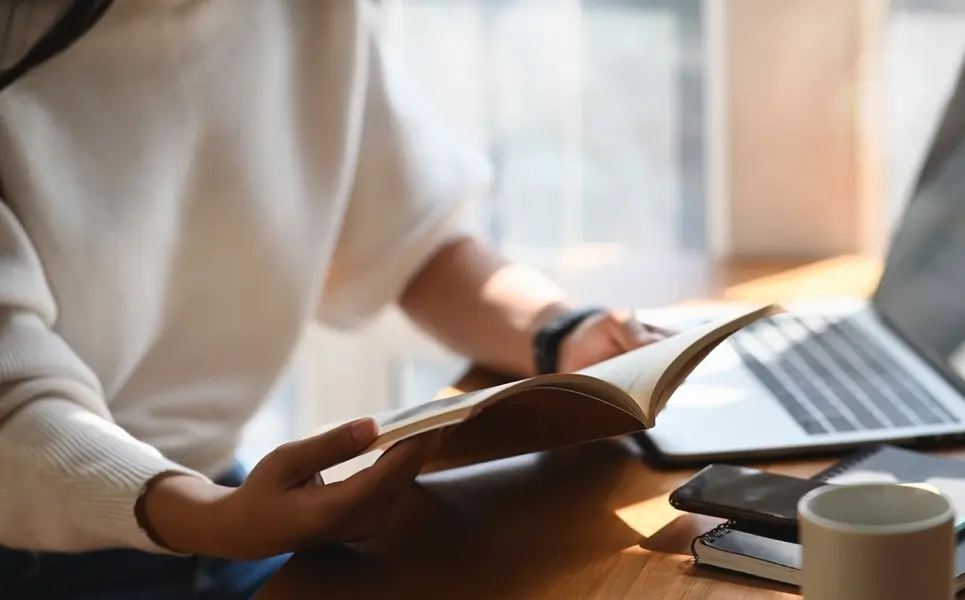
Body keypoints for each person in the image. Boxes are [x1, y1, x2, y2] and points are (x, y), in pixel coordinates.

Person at [0, 2, 669, 599]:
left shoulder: (312, 15)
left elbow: (410, 238)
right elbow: (14, 403)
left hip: (224, 509)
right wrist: (214, 518)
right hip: (46, 557)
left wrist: (560, 332)